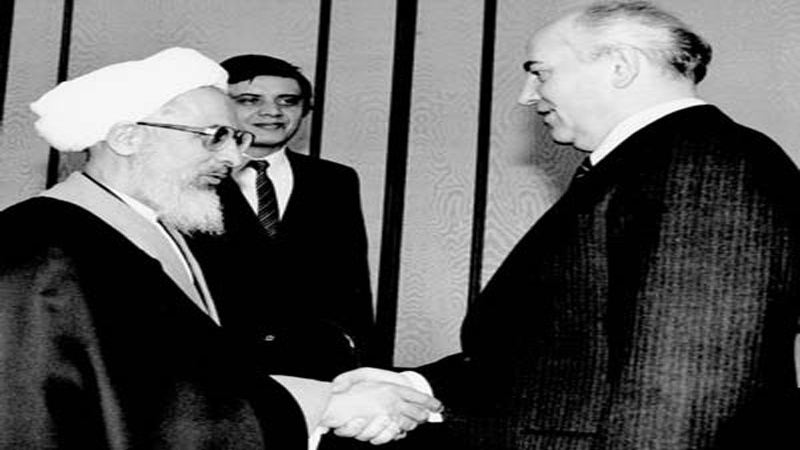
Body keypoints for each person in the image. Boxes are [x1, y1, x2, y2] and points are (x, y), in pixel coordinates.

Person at [335, 1, 800, 449]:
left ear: (620, 66)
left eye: (540, 72)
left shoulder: (706, 163)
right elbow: (557, 355)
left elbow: (687, 381)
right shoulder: (649, 164)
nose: (527, 94)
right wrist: (413, 386)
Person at [0, 47, 440, 449]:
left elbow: (191, 379)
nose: (233, 158)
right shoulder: (39, 246)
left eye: (236, 139)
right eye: (214, 136)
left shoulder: (152, 228)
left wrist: (326, 396)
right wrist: (324, 406)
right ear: (127, 138)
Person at [186, 54, 374, 381]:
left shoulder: (334, 180)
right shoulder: (187, 175)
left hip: (315, 369)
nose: (272, 112)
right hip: (216, 369)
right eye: (250, 100)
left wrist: (365, 365)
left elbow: (351, 284)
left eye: (288, 101)